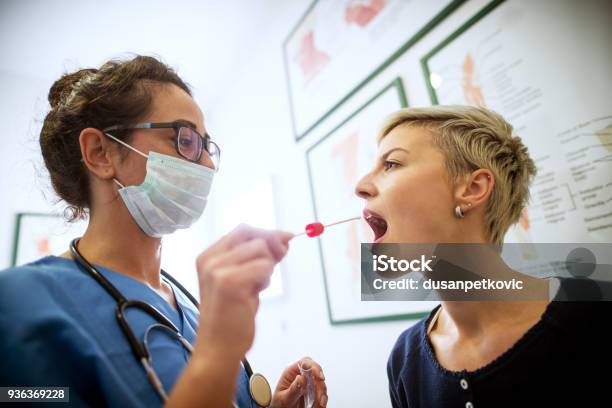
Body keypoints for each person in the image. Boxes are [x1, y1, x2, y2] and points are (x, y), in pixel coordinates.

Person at [0, 55, 328, 408]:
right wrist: (217, 353)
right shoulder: (21, 303)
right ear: (100, 153)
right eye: (186, 140)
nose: (209, 164)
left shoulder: (189, 306)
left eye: (207, 145)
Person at [354, 105, 612, 407]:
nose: (361, 187)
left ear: (473, 188)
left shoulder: (593, 316)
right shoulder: (404, 360)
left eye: (392, 164)